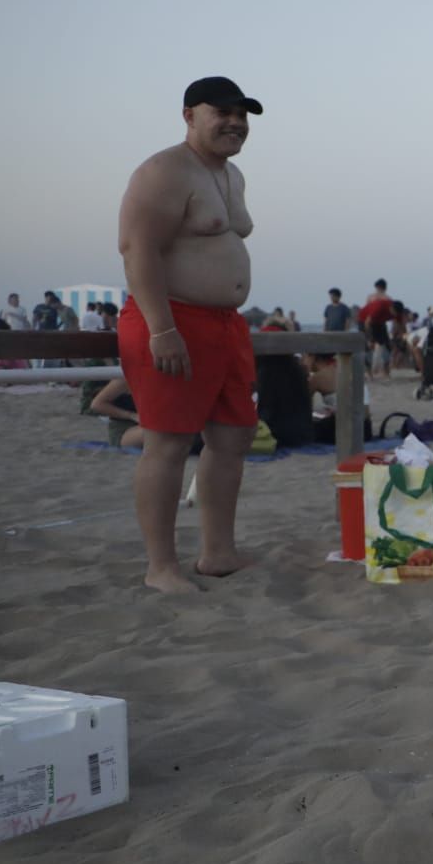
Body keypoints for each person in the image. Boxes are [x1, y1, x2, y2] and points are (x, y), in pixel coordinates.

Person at [115, 76, 263, 593]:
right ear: (188, 115)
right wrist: (162, 329)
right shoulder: (163, 171)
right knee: (169, 442)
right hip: (173, 319)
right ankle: (161, 567)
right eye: (220, 111)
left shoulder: (232, 176)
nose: (235, 121)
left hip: (225, 326)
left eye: (242, 113)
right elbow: (138, 249)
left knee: (233, 435)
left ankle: (218, 554)